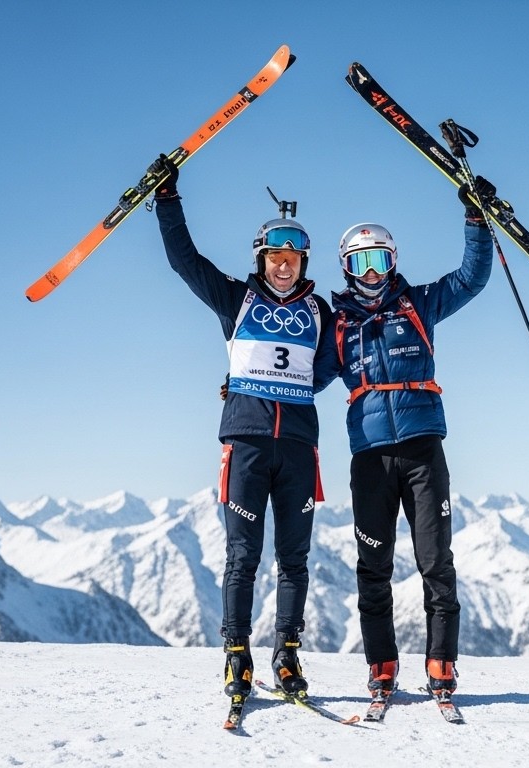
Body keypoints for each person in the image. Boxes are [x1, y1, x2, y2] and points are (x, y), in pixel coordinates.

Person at [151, 155, 332, 699]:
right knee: (242, 556)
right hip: (247, 445)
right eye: (276, 257)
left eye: (293, 258)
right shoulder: (236, 298)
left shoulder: (321, 310)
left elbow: (323, 371)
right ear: (262, 258)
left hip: (298, 448)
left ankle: (287, 654)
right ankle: (236, 655)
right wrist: (167, 200)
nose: (284, 266)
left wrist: (273, 389)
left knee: (294, 558)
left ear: (304, 262)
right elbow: (185, 260)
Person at [314, 178, 495, 702]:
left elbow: (471, 280)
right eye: (359, 262)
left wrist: (476, 221)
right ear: (346, 268)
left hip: (422, 451)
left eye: (379, 259)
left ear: (392, 261)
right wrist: (245, 380)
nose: (370, 272)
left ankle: (442, 666)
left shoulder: (418, 304)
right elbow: (302, 376)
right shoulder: (340, 325)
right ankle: (382, 666)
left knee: (436, 562)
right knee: (373, 567)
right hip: (369, 459)